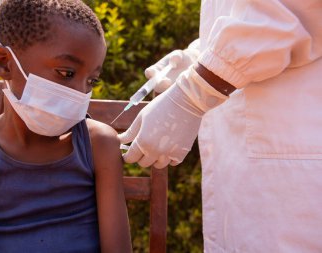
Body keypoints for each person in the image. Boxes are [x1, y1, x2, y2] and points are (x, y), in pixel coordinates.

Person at [119, 0, 322, 252]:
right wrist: (200, 56)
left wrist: (197, 89)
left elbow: (288, 12)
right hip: (255, 163)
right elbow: (246, 13)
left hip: (295, 153)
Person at [0, 0, 132, 252]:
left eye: (92, 80)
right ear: (4, 62)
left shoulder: (99, 143)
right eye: (66, 73)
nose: (80, 92)